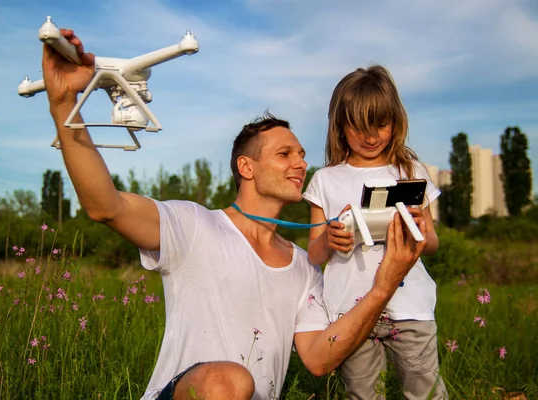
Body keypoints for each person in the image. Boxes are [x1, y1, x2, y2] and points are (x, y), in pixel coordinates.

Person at [41, 29, 428, 400]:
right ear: (247, 167)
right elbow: (105, 206)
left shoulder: (303, 268)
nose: (302, 164)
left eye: (302, 155)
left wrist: (384, 284)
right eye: (284, 154)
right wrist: (62, 103)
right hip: (191, 392)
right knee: (228, 381)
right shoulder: (194, 226)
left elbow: (318, 359)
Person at [303, 64, 447, 399]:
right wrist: (327, 240)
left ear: (396, 122)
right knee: (363, 394)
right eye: (360, 127)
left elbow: (433, 244)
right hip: (350, 310)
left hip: (410, 306)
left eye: (381, 124)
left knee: (424, 390)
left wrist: (422, 231)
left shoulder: (410, 170)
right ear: (340, 127)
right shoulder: (325, 179)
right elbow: (313, 253)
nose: (372, 136)